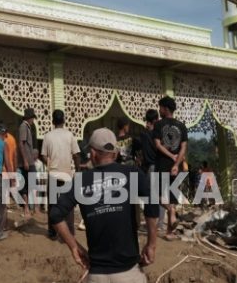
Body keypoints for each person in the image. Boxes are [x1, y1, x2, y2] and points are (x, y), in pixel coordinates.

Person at [50, 128, 159, 283]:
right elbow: (153, 202)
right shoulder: (132, 173)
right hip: (129, 274)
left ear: (93, 154)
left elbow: (55, 214)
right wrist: (151, 244)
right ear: (115, 153)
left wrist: (74, 246)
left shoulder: (81, 180)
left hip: (97, 275)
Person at [40, 109, 81, 240]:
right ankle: (69, 233)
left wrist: (50, 164)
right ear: (63, 120)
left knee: (52, 203)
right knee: (68, 204)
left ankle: (52, 232)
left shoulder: (47, 136)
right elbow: (76, 155)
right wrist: (78, 170)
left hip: (53, 173)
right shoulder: (70, 135)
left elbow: (43, 155)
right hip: (66, 174)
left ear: (53, 121)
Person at [152, 96, 188, 241]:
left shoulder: (159, 125)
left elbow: (158, 145)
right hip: (175, 167)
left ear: (165, 109)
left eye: (160, 107)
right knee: (171, 196)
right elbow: (183, 148)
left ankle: (171, 212)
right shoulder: (182, 126)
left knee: (157, 195)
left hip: (161, 164)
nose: (159, 110)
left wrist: (171, 158)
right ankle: (170, 232)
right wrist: (176, 163)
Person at [18, 108, 38, 219]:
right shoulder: (23, 126)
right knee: (26, 185)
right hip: (27, 162)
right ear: (29, 118)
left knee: (30, 184)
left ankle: (31, 208)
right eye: (33, 118)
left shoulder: (27, 127)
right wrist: (25, 160)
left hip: (29, 160)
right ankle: (27, 208)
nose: (33, 121)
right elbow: (21, 144)